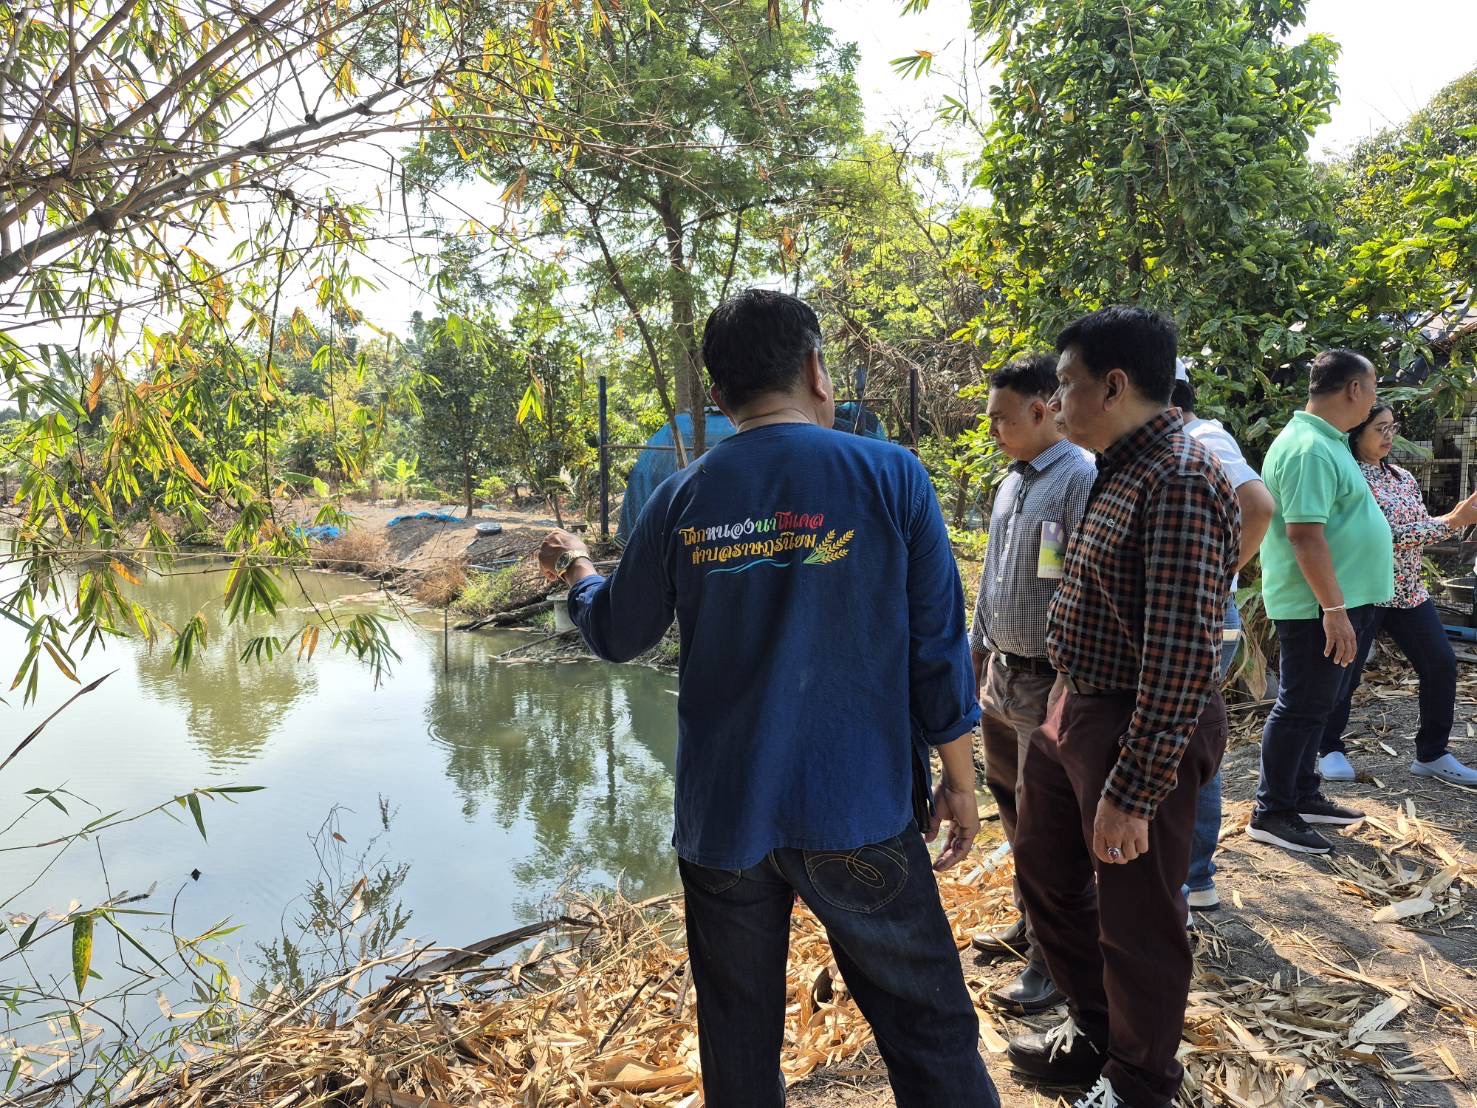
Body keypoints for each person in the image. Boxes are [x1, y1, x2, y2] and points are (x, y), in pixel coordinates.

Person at [537, 289, 999, 1108]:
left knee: (739, 1044)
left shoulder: (682, 496)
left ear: (718, 398)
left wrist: (577, 571)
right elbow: (936, 650)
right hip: (857, 808)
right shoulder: (890, 476)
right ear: (816, 370)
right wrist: (960, 781)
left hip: (726, 822)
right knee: (927, 1031)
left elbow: (615, 632)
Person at [1005, 306, 1239, 1108]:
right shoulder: (1117, 465)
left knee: (1138, 919)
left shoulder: (1175, 477)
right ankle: (1102, 1034)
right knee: (1044, 871)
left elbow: (1179, 657)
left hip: (1135, 720)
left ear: (1113, 384)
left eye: (1065, 383)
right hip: (1076, 705)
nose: (1056, 400)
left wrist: (1133, 791)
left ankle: (1141, 1082)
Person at [967, 353, 1096, 1014]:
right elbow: (993, 577)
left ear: (1042, 410)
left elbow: (1084, 587)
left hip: (1049, 683)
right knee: (1015, 814)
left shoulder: (1078, 478)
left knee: (1052, 830)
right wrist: (977, 651)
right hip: (1001, 676)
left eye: (999, 417)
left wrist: (1068, 683)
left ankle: (1053, 964)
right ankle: (1028, 925)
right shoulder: (1011, 481)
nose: (991, 428)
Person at [1249, 349, 1392, 856]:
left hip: (1338, 603)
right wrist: (1334, 611)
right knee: (1302, 706)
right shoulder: (1309, 447)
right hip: (1317, 607)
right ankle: (1272, 810)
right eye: (1373, 388)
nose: (1375, 399)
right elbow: (1305, 536)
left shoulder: (1328, 443)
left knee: (1319, 705)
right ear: (1354, 390)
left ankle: (1303, 794)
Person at [1316, 402, 1477, 785]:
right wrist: (1453, 520)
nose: (1389, 436)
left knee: (1440, 664)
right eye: (1380, 429)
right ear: (1356, 433)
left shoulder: (1402, 477)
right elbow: (1382, 538)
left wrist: (1450, 524)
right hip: (1365, 591)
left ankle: (1432, 753)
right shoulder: (1349, 478)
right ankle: (1329, 749)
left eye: (1392, 427)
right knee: (1346, 675)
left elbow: (1418, 529)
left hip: (1407, 592)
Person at [1170, 362, 1274, 911]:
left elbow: (1258, 506)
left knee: (1193, 738)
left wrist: (1219, 574)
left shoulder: (1202, 437)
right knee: (1189, 733)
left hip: (1206, 611)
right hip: (1199, 607)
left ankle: (1194, 872)